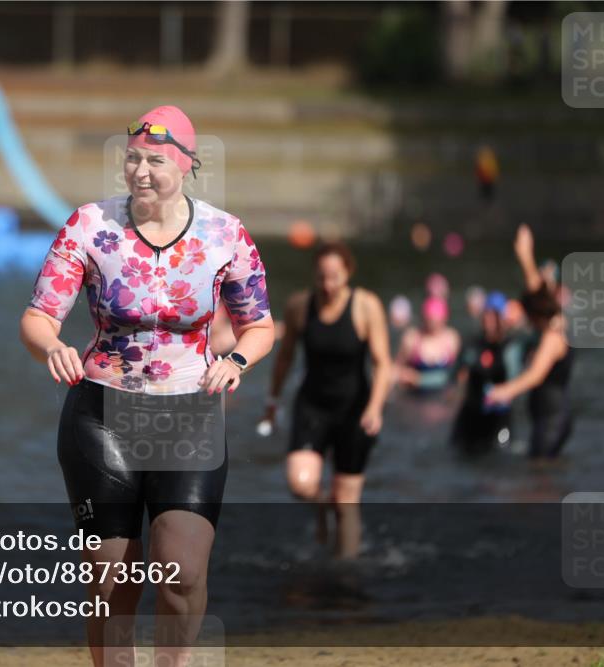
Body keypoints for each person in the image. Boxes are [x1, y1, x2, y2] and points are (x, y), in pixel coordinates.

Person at [19, 105, 275, 666]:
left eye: (154, 161)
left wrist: (237, 362)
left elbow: (259, 326)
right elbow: (37, 317)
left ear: (186, 165)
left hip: (189, 417)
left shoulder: (225, 235)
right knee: (112, 583)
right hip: (102, 415)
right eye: (132, 159)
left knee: (182, 576)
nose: (140, 171)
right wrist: (53, 346)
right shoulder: (89, 226)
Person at [261, 242, 391, 559]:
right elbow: (285, 358)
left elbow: (383, 363)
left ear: (348, 273)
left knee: (347, 502)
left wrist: (375, 408)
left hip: (355, 411)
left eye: (335, 277)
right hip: (313, 406)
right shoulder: (299, 306)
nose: (328, 285)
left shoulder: (366, 306)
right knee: (301, 483)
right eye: (321, 277)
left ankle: (345, 579)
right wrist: (272, 400)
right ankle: (322, 506)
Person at [486, 225, 574, 459]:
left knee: (537, 486)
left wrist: (504, 391)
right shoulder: (551, 325)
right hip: (548, 418)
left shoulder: (554, 335)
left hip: (552, 420)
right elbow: (537, 295)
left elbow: (536, 375)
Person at [450, 291, 523, 455]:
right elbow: (454, 374)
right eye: (486, 315)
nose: (488, 320)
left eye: (494, 316)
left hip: (498, 414)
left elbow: (517, 379)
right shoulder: (472, 344)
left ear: (502, 318)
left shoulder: (510, 346)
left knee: (500, 454)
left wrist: (504, 393)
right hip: (471, 412)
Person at [394, 296, 461, 393]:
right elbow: (397, 368)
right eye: (430, 320)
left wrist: (419, 379)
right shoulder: (412, 338)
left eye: (436, 321)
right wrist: (402, 375)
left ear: (444, 319)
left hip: (444, 397)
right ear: (424, 318)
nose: (433, 324)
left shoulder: (451, 339)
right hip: (416, 397)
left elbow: (459, 374)